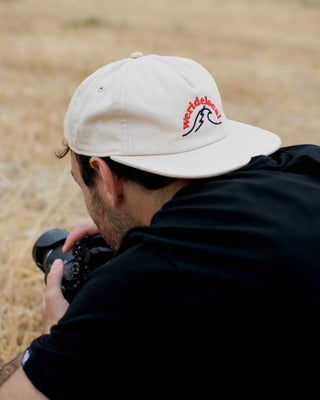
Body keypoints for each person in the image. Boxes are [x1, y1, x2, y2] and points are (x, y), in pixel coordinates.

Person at [1, 52, 320, 398]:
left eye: (83, 184)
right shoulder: (304, 164)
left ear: (105, 177)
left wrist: (58, 340)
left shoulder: (157, 270)